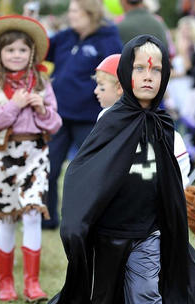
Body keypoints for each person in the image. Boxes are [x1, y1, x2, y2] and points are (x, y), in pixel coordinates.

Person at [39, 34, 195, 304]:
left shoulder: (163, 122)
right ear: (125, 75)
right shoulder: (111, 121)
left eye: (156, 69)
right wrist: (79, 226)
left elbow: (170, 177)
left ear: (166, 74)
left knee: (147, 300)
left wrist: (176, 212)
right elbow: (83, 172)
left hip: (148, 234)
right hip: (107, 236)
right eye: (140, 69)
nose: (148, 75)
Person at [0, 15, 62, 302]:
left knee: (32, 214)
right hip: (4, 157)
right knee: (8, 219)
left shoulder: (41, 82)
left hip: (36, 155)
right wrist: (13, 107)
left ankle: (32, 283)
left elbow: (55, 124)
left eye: (22, 50)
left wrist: (41, 111)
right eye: (10, 50)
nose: (16, 55)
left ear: (32, 54)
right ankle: (5, 283)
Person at [44, 0, 122, 229]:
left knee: (92, 171)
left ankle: (93, 219)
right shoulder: (66, 36)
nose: (71, 15)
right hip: (59, 115)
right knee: (49, 167)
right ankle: (47, 219)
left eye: (75, 11)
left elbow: (116, 71)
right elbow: (40, 50)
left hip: (89, 117)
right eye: (70, 11)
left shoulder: (107, 38)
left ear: (91, 13)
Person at [93, 52, 191, 180]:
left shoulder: (162, 127)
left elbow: (180, 174)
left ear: (120, 87)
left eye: (101, 85)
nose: (95, 90)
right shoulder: (105, 116)